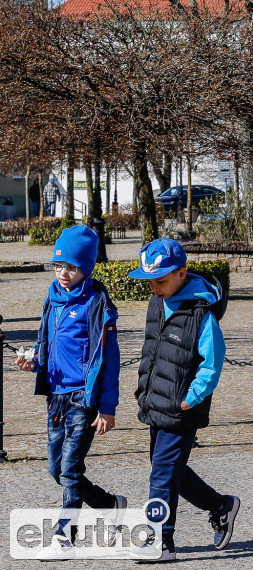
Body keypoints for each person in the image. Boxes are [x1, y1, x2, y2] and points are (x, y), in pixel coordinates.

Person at [15, 226, 125, 559]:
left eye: (72, 267)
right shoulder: (53, 295)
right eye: (59, 265)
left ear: (86, 269)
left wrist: (108, 407)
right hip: (56, 397)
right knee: (55, 468)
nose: (64, 273)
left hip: (83, 398)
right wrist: (33, 360)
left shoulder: (96, 304)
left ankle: (64, 537)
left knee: (70, 469)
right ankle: (109, 504)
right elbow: (45, 341)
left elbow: (110, 359)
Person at [130, 239, 240, 562]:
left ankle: (161, 541)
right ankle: (221, 506)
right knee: (168, 470)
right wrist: (143, 389)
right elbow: (152, 351)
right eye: (149, 280)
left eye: (161, 280)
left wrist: (191, 398)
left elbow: (213, 360)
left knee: (162, 473)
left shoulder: (201, 312)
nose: (154, 287)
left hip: (182, 409)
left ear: (182, 273)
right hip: (156, 404)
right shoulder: (156, 303)